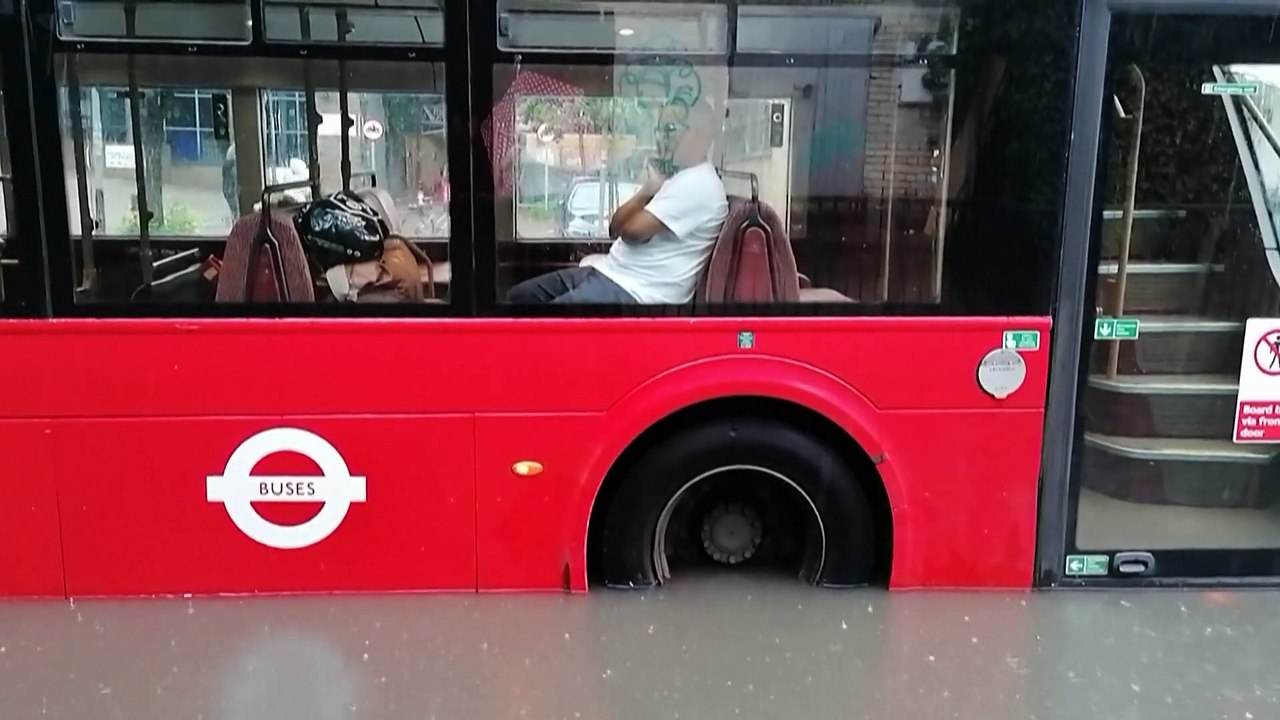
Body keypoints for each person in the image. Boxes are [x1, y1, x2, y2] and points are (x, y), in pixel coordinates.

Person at [507, 99, 728, 304]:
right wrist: (648, 189)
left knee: (541, 326)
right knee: (520, 297)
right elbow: (615, 227)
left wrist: (648, 192)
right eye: (659, 129)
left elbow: (632, 234)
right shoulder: (675, 178)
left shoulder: (698, 183)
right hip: (613, 272)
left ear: (701, 135)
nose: (660, 138)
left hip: (638, 291)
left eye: (670, 130)